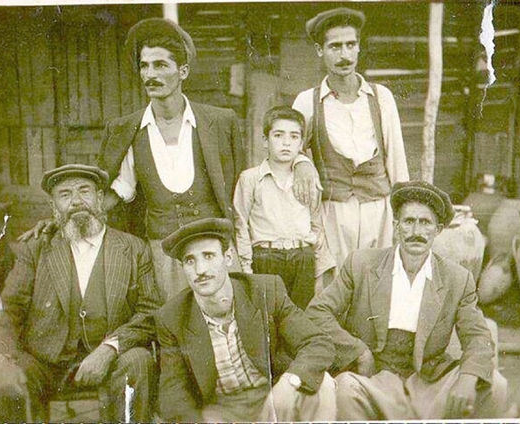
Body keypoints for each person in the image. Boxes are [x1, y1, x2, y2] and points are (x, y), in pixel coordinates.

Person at [20, 18, 319, 301]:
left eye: (161, 65)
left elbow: (243, 183)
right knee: (172, 322)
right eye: (145, 66)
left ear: (183, 71)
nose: (151, 75)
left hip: (213, 249)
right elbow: (117, 192)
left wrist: (301, 161)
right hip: (162, 254)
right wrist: (63, 218)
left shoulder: (219, 122)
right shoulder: (126, 129)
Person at [306, 180, 507, 420]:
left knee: (495, 385)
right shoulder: (361, 264)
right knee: (345, 391)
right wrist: (359, 352)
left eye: (425, 223)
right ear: (396, 226)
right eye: (409, 221)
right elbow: (317, 312)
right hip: (374, 376)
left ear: (438, 230)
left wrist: (468, 378)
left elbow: (478, 336)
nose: (416, 232)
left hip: (429, 379)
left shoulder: (457, 278)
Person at [0, 164, 163, 422]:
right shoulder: (36, 249)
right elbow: (10, 310)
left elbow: (150, 312)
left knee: (138, 361)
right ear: (54, 207)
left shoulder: (133, 249)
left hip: (112, 361)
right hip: (44, 363)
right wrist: (1, 356)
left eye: (84, 191)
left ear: (99, 198)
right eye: (65, 194)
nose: (76, 201)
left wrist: (110, 348)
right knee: (3, 374)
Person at [155, 217, 336, 422]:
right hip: (221, 411)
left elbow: (317, 342)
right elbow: (173, 395)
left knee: (323, 385)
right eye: (190, 260)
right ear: (183, 268)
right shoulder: (172, 317)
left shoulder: (265, 291)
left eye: (209, 256)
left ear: (228, 258)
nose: (200, 270)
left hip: (272, 397)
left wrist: (289, 382)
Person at [292, 7, 409, 269]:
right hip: (333, 211)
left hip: (378, 208)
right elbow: (289, 149)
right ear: (320, 50)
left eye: (350, 45)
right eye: (335, 47)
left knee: (378, 277)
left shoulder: (381, 97)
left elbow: (397, 159)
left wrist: (403, 211)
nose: (344, 55)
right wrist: (302, 162)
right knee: (338, 279)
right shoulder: (307, 101)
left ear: (358, 47)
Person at [233, 106, 335, 309]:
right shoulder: (250, 179)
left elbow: (316, 224)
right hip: (266, 257)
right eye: (278, 135)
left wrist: (318, 269)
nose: (286, 142)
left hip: (302, 257)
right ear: (265, 140)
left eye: (294, 136)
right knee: (268, 315)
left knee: (301, 315)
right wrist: (246, 268)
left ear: (301, 144)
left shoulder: (308, 179)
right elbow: (241, 225)